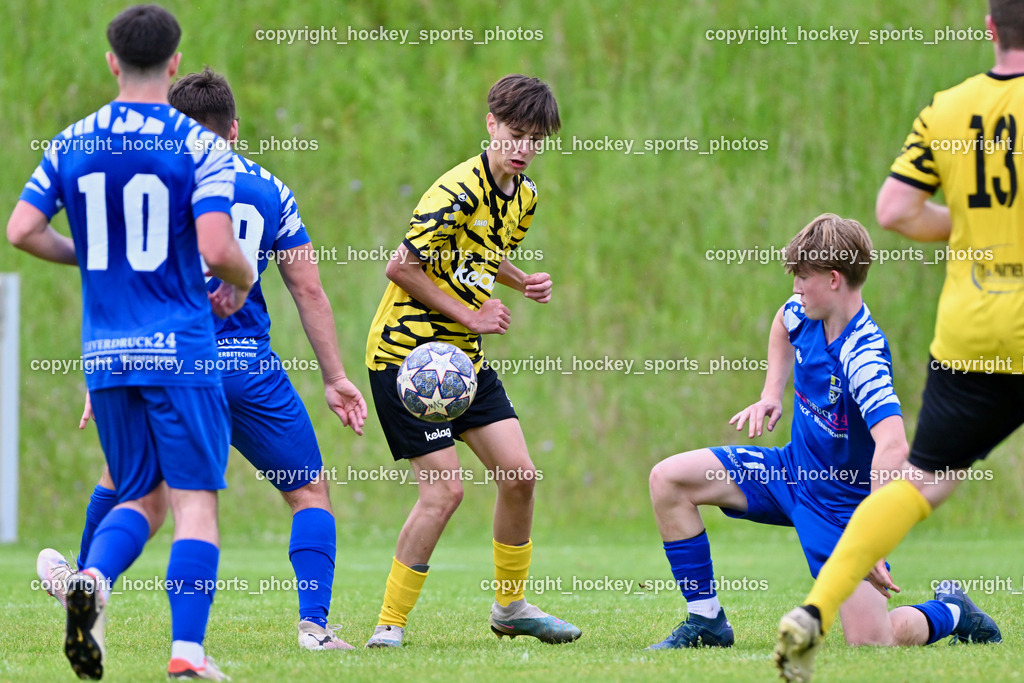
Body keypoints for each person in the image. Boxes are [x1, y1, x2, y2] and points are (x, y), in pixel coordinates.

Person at [36, 67, 369, 652]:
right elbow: (308, 290)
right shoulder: (271, 190)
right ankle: (314, 627)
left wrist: (108, 371)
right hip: (248, 368)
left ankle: (87, 585)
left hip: (166, 359)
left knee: (129, 484)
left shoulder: (150, 185)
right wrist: (336, 377)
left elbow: (120, 279)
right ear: (233, 129)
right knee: (308, 493)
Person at [774, 5, 1023, 680]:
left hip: (975, 334)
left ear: (991, 28)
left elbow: (894, 210)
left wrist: (975, 229)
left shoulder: (949, 108)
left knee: (919, 482)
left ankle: (814, 609)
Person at [8, 5, 254, 680]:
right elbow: (215, 247)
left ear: (112, 61)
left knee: (139, 496)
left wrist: (89, 255)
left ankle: (92, 576)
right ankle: (187, 653)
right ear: (174, 63)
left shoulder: (70, 141)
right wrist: (245, 272)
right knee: (193, 501)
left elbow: (21, 229)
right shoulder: (198, 145)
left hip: (108, 353)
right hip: (179, 348)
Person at [647, 214, 997, 653]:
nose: (795, 287)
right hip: (790, 472)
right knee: (668, 479)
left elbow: (892, 444)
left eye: (803, 277)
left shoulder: (864, 355)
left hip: (842, 508)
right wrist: (771, 391)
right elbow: (781, 322)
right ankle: (707, 621)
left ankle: (952, 609)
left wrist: (872, 534)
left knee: (874, 641)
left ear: (834, 279)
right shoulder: (802, 312)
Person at [362, 74, 580, 647]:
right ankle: (389, 625)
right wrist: (471, 315)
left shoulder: (524, 196)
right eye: (514, 134)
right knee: (444, 492)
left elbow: (480, 249)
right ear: (490, 125)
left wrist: (520, 279)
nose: (523, 147)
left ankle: (510, 608)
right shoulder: (456, 189)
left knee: (520, 476)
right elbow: (402, 266)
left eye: (534, 138)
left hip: (463, 361)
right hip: (407, 359)